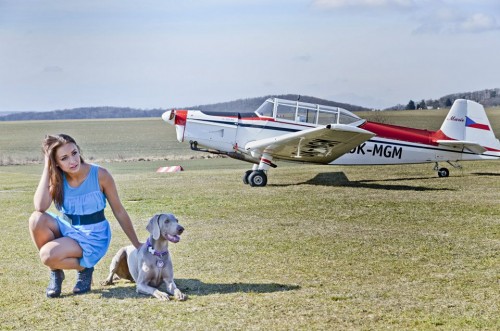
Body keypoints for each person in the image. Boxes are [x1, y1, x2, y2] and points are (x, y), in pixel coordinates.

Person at [29, 134, 142, 298]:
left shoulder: (101, 175)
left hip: (93, 235)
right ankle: (56, 272)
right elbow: (40, 206)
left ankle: (84, 268)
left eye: (74, 153)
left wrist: (136, 243)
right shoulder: (57, 179)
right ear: (57, 163)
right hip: (68, 228)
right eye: (64, 158)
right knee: (36, 218)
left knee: (47, 255)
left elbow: (119, 211)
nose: (72, 161)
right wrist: (47, 167)